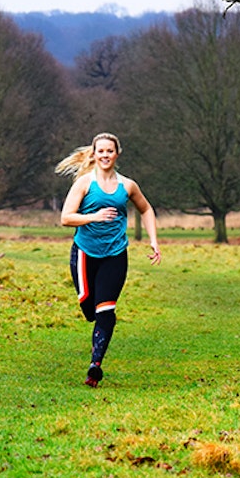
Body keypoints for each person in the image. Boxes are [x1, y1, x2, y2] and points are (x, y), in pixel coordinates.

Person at [55, 132, 160, 388]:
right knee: (89, 310)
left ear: (117, 154)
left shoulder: (128, 186)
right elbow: (66, 218)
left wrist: (154, 240)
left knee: (106, 311)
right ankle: (93, 325)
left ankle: (95, 365)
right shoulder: (84, 184)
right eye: (100, 151)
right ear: (94, 154)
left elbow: (145, 209)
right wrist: (94, 216)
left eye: (109, 151)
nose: (105, 155)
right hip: (83, 253)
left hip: (115, 254)